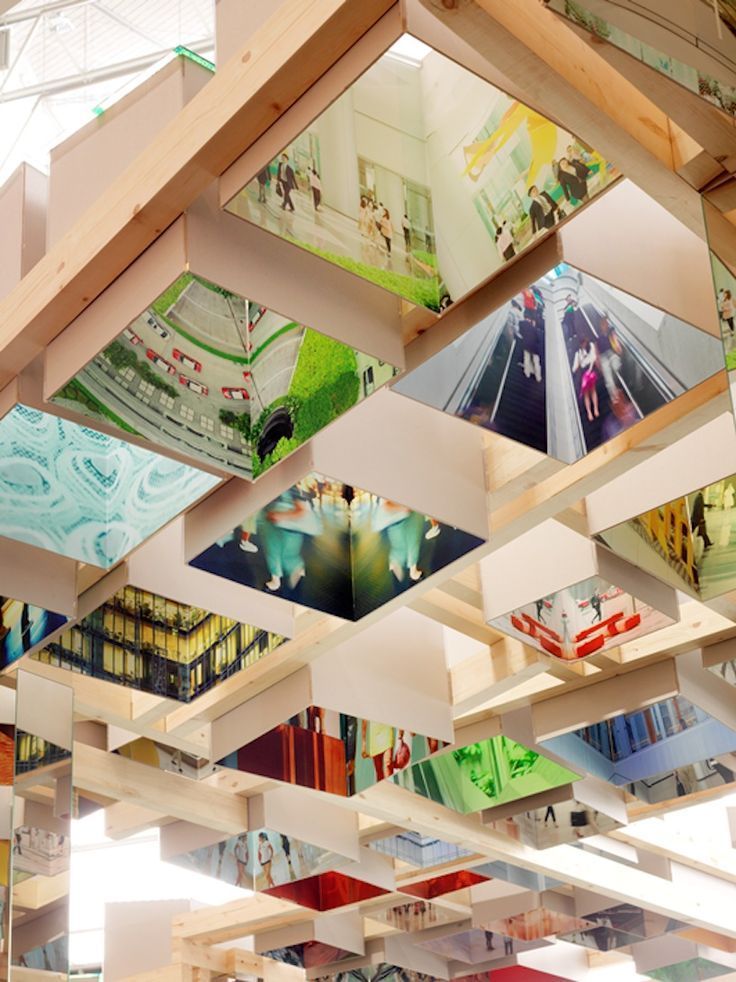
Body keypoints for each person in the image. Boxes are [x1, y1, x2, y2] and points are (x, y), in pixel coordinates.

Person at [572, 336, 600, 422]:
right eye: (581, 343)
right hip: (584, 373)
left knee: (593, 390)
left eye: (584, 342)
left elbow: (594, 357)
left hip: (591, 370)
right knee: (586, 393)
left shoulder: (591, 345)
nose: (583, 344)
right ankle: (589, 413)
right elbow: (574, 369)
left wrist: (590, 368)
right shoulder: (578, 353)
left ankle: (595, 409)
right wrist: (579, 364)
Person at [519, 312, 542, 383]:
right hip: (534, 347)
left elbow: (520, 332)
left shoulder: (521, 323)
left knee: (527, 358)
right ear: (530, 319)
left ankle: (527, 373)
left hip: (526, 344)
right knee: (536, 362)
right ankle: (538, 378)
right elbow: (538, 339)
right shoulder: (534, 328)